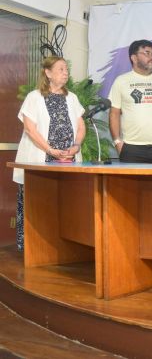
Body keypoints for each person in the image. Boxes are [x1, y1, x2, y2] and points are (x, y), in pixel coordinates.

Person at [13, 56, 85, 251]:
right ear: (48, 73)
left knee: (65, 202)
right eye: (61, 69)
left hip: (68, 159)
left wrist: (76, 145)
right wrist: (50, 150)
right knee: (37, 202)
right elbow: (30, 129)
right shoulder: (34, 97)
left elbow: (81, 126)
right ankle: (34, 247)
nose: (65, 72)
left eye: (66, 69)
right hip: (41, 158)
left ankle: (63, 246)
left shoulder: (72, 97)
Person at [108, 39, 152, 163]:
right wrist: (117, 142)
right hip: (131, 147)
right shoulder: (121, 81)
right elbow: (114, 113)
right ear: (134, 58)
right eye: (147, 53)